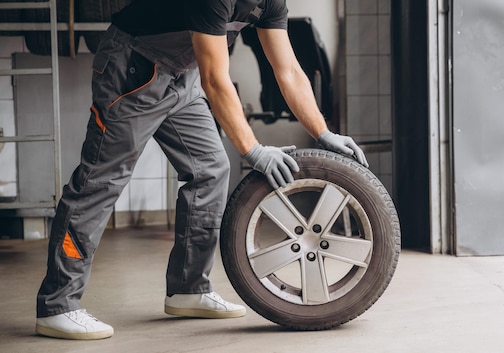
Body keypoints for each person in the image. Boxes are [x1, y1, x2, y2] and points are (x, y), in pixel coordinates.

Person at [34, 0, 368, 341]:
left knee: (210, 169)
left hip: (181, 75)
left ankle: (188, 289)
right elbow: (215, 78)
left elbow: (289, 70)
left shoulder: (270, 3)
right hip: (134, 70)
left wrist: (323, 133)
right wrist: (253, 150)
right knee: (100, 182)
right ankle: (57, 306)